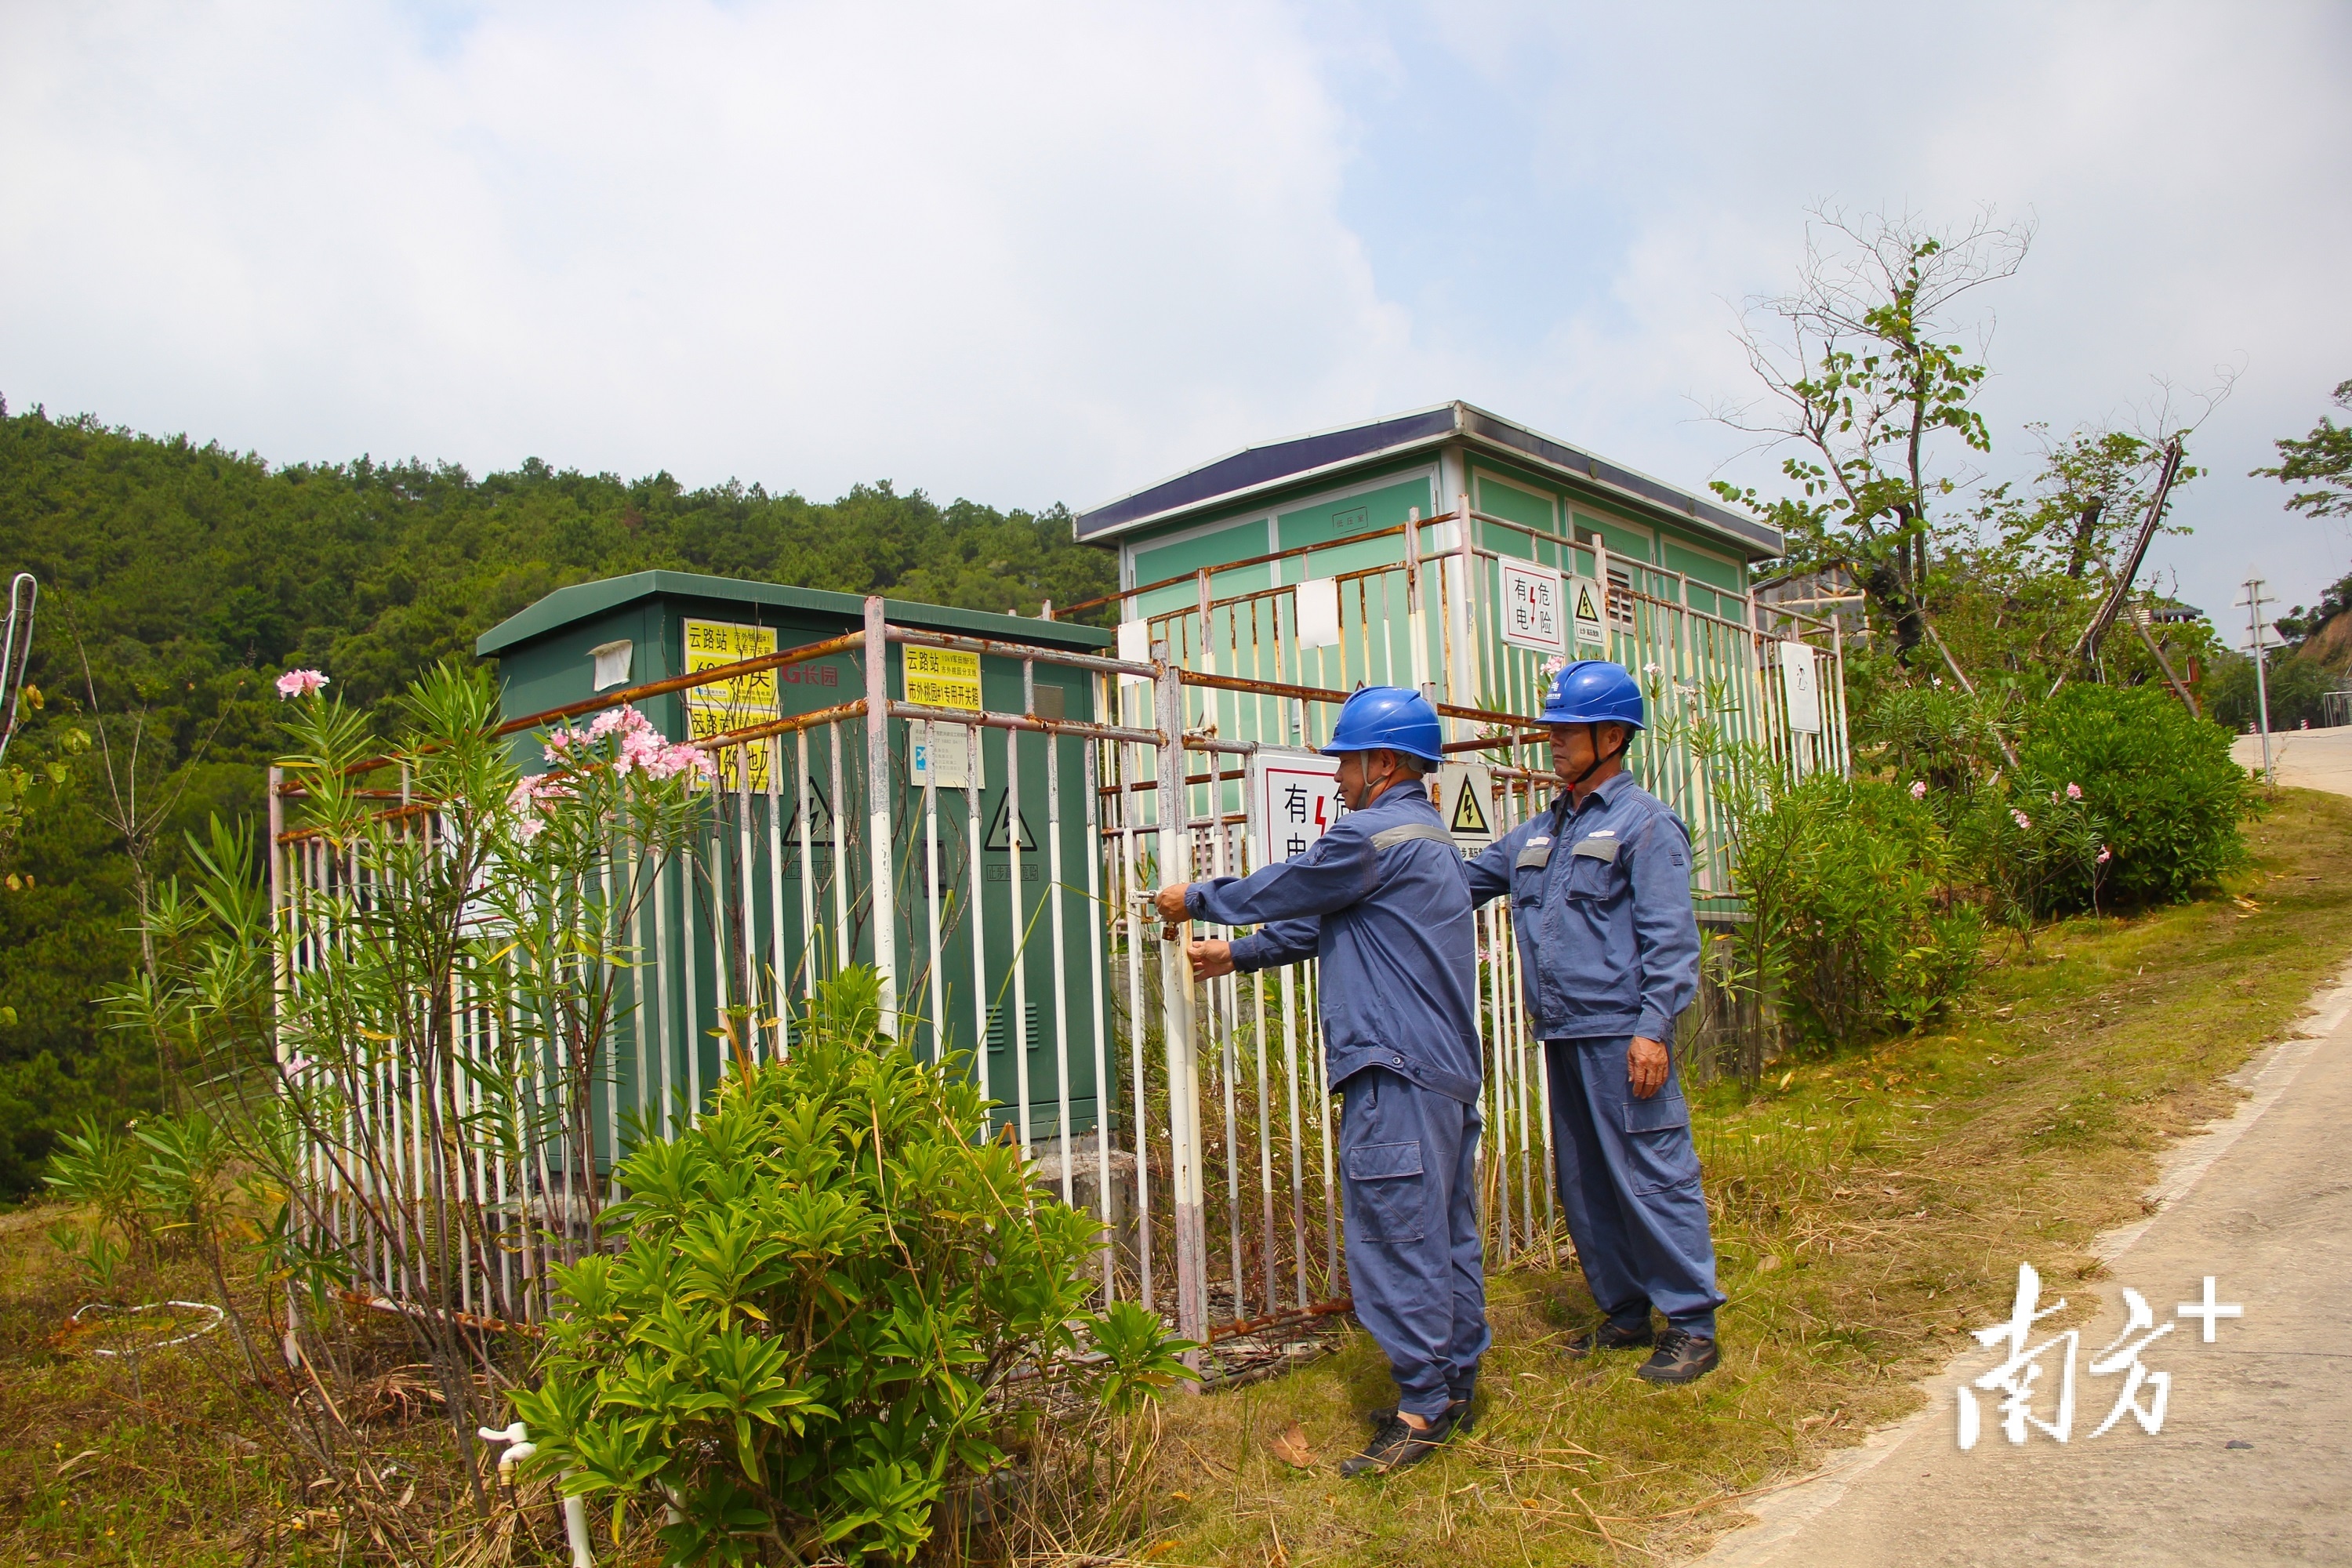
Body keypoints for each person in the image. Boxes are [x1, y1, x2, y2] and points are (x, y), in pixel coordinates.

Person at [1153, 684, 1488, 1476]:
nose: (1336, 775)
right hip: (1441, 1069)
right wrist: (1235, 954)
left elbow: (1295, 886)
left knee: (1397, 1235)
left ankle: (1420, 1407)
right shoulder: (1427, 839)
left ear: (1383, 761)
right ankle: (1456, 1382)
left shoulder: (1372, 835)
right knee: (1446, 1233)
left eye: (1344, 759)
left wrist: (1198, 899)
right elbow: (1326, 920)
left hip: (1393, 1069)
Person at [1465, 659, 1724, 1385]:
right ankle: (1625, 1311)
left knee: (1652, 1173)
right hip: (1563, 1032)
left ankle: (1694, 1324)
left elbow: (1671, 940)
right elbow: (1459, 883)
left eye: (1567, 729)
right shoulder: (1537, 834)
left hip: (1622, 1032)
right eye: (1552, 728)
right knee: (1586, 1181)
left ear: (1612, 736)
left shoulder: (1646, 825)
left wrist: (1653, 1029)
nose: (1554, 740)